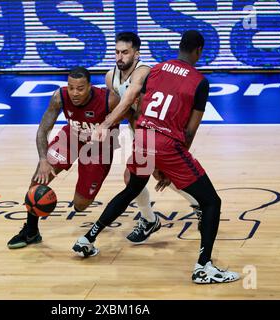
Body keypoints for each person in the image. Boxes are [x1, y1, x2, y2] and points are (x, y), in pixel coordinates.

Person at [72, 30, 240, 284]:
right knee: (211, 202)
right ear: (199, 51)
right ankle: (204, 267)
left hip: (143, 137)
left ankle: (88, 238)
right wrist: (167, 165)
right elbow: (190, 131)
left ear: (179, 47)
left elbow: (136, 107)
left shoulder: (156, 70)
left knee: (132, 189)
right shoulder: (199, 81)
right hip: (167, 144)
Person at [7, 66, 120, 250]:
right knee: (36, 182)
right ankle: (31, 231)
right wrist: (43, 159)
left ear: (90, 86)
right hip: (71, 138)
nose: (75, 93)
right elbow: (43, 129)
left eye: (80, 88)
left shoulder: (110, 100)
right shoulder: (60, 96)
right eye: (71, 87)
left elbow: (134, 121)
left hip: (99, 149)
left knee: (80, 205)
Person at [107, 32, 202, 244]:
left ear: (136, 54)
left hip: (161, 130)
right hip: (141, 130)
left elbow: (133, 102)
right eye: (117, 52)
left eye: (125, 52)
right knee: (141, 176)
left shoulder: (145, 73)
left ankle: (192, 205)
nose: (119, 57)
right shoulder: (110, 76)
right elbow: (124, 109)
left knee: (158, 174)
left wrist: (107, 125)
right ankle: (155, 218)